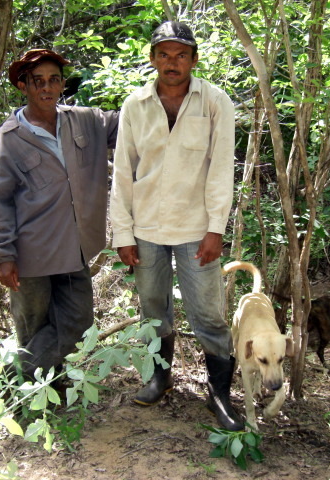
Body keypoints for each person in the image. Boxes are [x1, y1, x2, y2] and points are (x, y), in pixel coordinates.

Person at [110, 22, 242, 431]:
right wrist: (122, 232)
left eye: (180, 55)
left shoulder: (215, 102)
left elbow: (221, 169)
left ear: (194, 60)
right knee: (153, 308)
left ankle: (219, 394)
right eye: (164, 55)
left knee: (208, 313)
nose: (172, 63)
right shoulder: (135, 105)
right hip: (147, 227)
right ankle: (159, 377)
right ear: (152, 59)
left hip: (196, 229)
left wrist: (216, 228)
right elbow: (123, 173)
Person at [0, 49, 118, 384]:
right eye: (38, 81)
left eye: (54, 80)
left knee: (77, 321)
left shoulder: (84, 120)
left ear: (62, 85)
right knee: (33, 326)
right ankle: (40, 393)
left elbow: (130, 121)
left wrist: (163, 93)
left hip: (75, 248)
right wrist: (2, 255)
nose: (47, 87)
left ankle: (16, 383)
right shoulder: (10, 138)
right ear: (23, 86)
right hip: (31, 255)